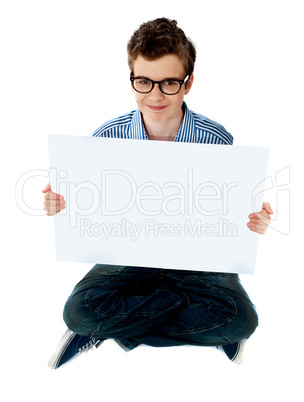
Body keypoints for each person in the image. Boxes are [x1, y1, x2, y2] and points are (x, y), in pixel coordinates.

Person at [44, 18, 273, 369]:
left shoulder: (218, 139)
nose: (154, 94)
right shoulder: (106, 137)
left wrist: (253, 221)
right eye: (144, 81)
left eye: (168, 82)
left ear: (187, 82)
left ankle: (120, 326)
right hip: (126, 255)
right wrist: (61, 203)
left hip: (199, 259)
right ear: (132, 80)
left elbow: (232, 217)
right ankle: (202, 326)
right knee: (79, 313)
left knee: (243, 321)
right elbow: (86, 207)